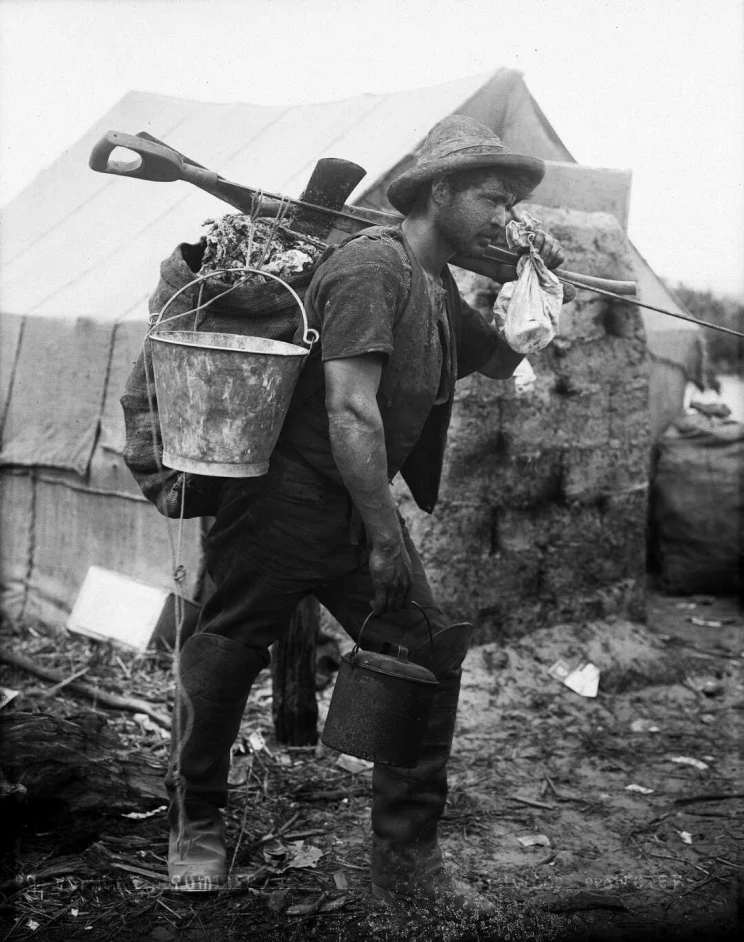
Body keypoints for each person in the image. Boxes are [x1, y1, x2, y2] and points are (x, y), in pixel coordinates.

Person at [166, 115, 569, 916]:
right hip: (282, 508)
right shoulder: (368, 269)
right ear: (439, 191)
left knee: (426, 649)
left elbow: (506, 354)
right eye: (494, 198)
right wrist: (387, 539)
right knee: (226, 651)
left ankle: (405, 856)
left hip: (356, 511)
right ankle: (195, 823)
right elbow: (351, 411)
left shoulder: (437, 283)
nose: (505, 215)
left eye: (514, 204)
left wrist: (536, 281)